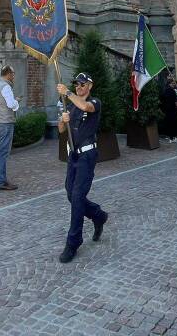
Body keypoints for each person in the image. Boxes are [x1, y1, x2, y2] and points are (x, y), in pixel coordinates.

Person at [55, 73, 109, 264]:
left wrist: (67, 92)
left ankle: (73, 242)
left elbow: (85, 106)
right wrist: (63, 119)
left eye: (82, 84)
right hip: (73, 156)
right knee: (71, 195)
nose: (78, 86)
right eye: (76, 84)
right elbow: (61, 130)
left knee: (77, 196)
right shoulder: (71, 104)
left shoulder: (94, 102)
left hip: (87, 156)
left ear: (90, 86)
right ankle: (98, 215)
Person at [0, 64, 20, 191]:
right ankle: (1, 181)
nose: (14, 76)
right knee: (2, 153)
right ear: (8, 74)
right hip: (5, 123)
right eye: (13, 74)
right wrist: (17, 101)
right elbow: (11, 104)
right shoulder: (6, 87)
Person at [160, 76, 177, 143]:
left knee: (170, 124)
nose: (174, 85)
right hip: (173, 110)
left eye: (174, 83)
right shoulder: (172, 91)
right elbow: (175, 101)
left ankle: (171, 138)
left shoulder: (164, 91)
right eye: (172, 83)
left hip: (167, 110)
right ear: (169, 84)